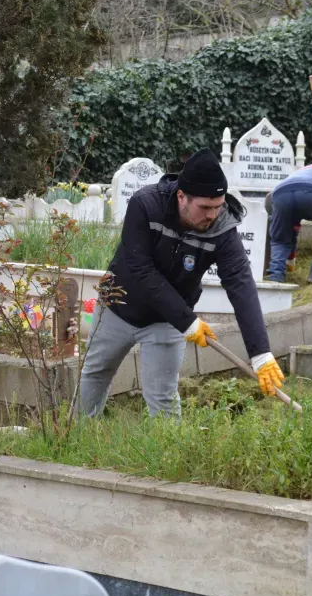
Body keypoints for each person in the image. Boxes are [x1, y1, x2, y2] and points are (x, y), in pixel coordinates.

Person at [78, 147, 285, 418]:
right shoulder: (145, 205)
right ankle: (79, 432)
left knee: (162, 397)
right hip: (118, 306)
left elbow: (241, 284)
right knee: (95, 373)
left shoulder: (223, 229)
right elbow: (141, 268)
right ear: (181, 196)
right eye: (205, 207)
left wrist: (260, 353)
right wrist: (187, 320)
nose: (212, 215)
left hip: (167, 320)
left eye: (218, 206)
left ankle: (167, 446)